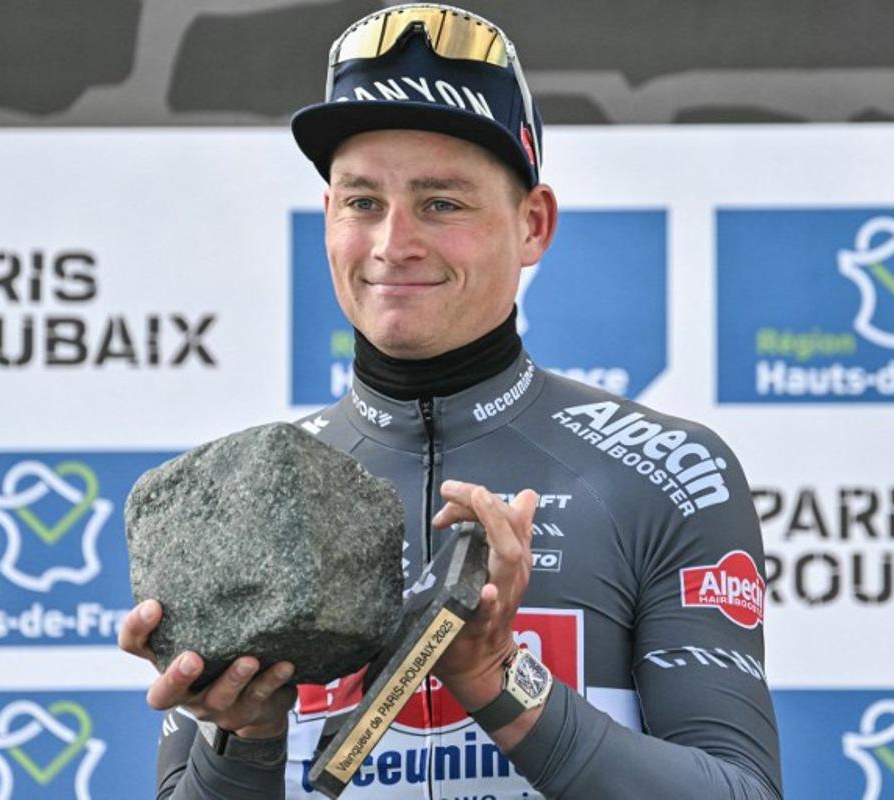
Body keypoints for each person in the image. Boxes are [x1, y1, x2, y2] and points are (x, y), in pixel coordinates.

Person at [120, 4, 783, 798]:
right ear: (329, 216)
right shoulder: (240, 500)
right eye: (362, 201)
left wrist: (500, 680)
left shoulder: (665, 474)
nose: (393, 243)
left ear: (532, 224)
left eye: (442, 202)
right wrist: (245, 741)